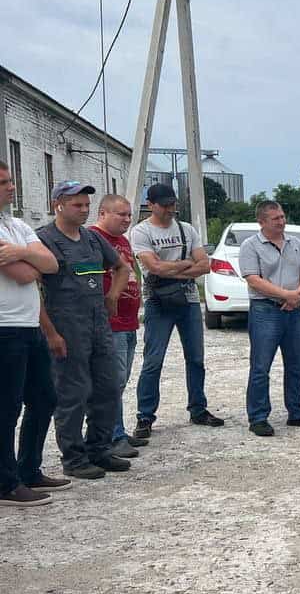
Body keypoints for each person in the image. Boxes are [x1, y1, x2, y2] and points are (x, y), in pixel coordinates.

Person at [37, 181, 130, 480]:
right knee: (73, 392)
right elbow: (33, 290)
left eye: (86, 205)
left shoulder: (91, 239)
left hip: (97, 324)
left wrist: (112, 296)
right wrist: (50, 332)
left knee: (108, 386)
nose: (84, 210)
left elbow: (122, 267)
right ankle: (74, 458)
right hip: (66, 325)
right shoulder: (44, 240)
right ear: (58, 205)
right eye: (77, 205)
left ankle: (99, 448)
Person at [130, 183, 224, 439]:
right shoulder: (141, 231)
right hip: (157, 301)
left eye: (173, 204)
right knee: (153, 360)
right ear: (150, 205)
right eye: (165, 205)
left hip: (188, 299)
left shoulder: (187, 229)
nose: (171, 209)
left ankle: (198, 408)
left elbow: (205, 265)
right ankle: (145, 416)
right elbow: (154, 268)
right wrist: (185, 264)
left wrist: (172, 267)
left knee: (196, 358)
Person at [0, 160, 66, 507]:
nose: (11, 186)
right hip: (4, 328)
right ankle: (6, 484)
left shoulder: (16, 225)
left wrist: (23, 253)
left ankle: (28, 469)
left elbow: (51, 264)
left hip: (28, 325)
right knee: (6, 408)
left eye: (11, 180)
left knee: (44, 399)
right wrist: (31, 261)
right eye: (3, 182)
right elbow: (27, 275)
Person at [239, 200, 300, 436]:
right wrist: (286, 294)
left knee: (297, 363)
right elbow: (254, 279)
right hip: (265, 310)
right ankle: (258, 417)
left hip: (293, 310)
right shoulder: (250, 246)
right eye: (276, 218)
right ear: (262, 221)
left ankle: (296, 411)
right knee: (261, 366)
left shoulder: (295, 243)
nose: (282, 221)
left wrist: (298, 295)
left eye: (283, 217)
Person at [90, 194, 146, 459]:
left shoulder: (123, 241)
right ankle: (111, 435)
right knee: (111, 382)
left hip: (128, 321)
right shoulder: (93, 239)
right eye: (120, 214)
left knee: (120, 381)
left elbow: (131, 271)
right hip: (110, 322)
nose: (127, 219)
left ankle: (117, 429)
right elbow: (83, 274)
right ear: (102, 213)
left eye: (129, 215)